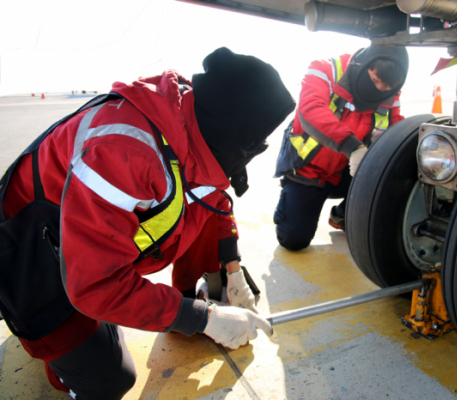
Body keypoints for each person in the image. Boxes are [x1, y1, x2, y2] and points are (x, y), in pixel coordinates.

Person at [0, 47, 295, 399]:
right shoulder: (124, 151)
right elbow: (93, 285)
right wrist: (203, 319)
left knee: (198, 210)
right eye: (257, 138)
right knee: (109, 380)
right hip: (31, 248)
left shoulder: (200, 123)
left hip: (83, 240)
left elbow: (215, 198)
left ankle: (179, 298)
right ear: (235, 131)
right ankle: (60, 344)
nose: (259, 146)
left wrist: (233, 271)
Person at [273, 45, 409, 251]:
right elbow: (311, 110)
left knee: (396, 172)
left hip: (348, 171)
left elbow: (395, 124)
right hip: (309, 171)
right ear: (365, 65)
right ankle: (291, 199)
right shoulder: (324, 70)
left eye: (385, 88)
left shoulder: (390, 92)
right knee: (293, 239)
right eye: (374, 81)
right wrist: (352, 147)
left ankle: (343, 213)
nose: (378, 90)